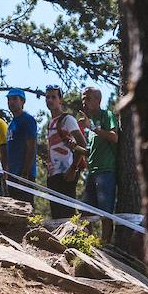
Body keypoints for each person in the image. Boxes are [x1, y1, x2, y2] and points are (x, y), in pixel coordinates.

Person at [43, 84, 87, 220]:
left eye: (53, 97)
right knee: (56, 215)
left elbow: (82, 144)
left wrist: (73, 168)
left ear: (60, 100)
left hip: (66, 173)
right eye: (47, 97)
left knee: (67, 215)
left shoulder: (68, 119)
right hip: (53, 174)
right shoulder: (51, 123)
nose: (50, 100)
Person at [80, 86, 118, 239]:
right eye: (83, 99)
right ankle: (90, 244)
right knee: (84, 212)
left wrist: (92, 127)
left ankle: (106, 245)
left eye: (88, 98)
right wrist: (75, 147)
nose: (84, 102)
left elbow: (114, 137)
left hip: (106, 171)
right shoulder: (91, 123)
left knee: (105, 212)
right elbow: (91, 151)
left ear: (98, 100)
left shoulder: (107, 115)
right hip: (92, 172)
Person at [5, 88, 38, 203]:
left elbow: (31, 147)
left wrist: (25, 173)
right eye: (9, 99)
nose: (11, 102)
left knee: (25, 207)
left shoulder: (27, 120)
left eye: (14, 99)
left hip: (24, 175)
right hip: (12, 175)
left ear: (22, 101)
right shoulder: (11, 124)